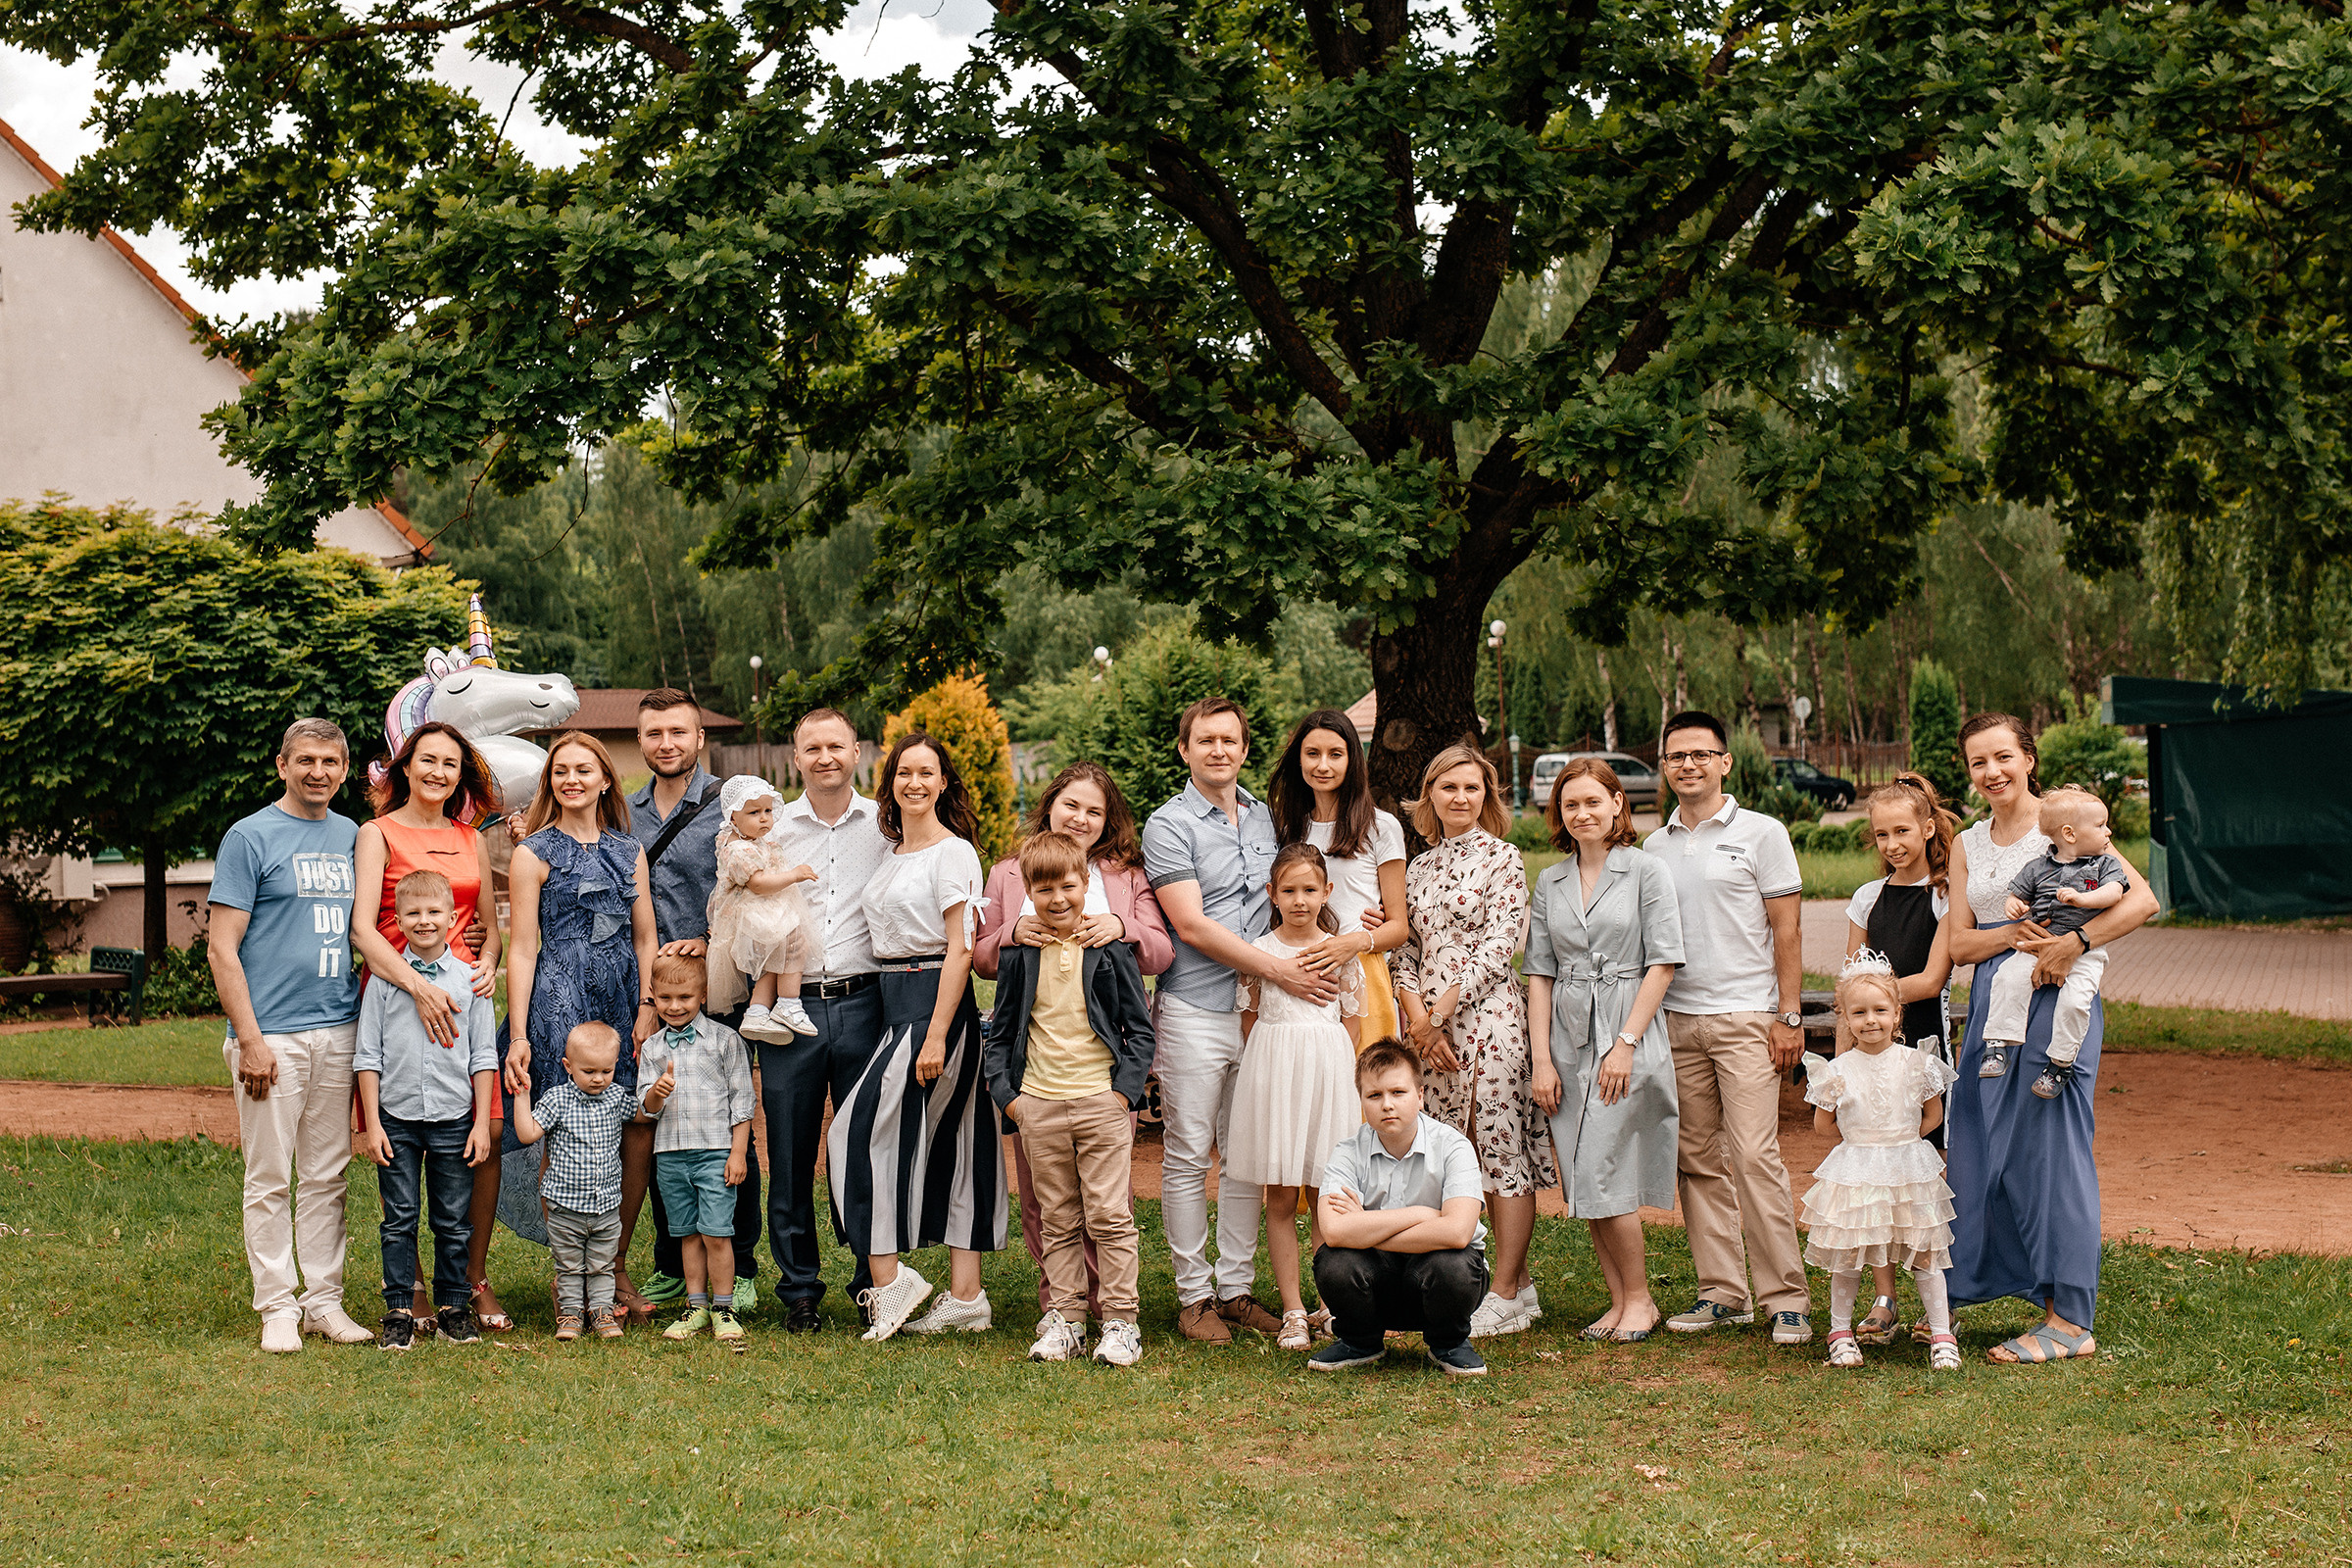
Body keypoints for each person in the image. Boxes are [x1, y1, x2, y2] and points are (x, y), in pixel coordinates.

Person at [1944, 712, 2158, 1365]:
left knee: (2053, 1148)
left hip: (2061, 999)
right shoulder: (1966, 844)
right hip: (1992, 1000)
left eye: (2004, 756)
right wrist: (2019, 933)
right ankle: (1963, 1290)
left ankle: (2069, 1320)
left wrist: (2075, 942)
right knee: (1980, 1148)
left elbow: (2142, 900)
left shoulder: (2070, 824)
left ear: (2028, 757)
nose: (1993, 772)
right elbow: (1959, 944)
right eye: (1979, 762)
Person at [1142, 697, 1336, 1345]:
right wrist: (1277, 970)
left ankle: (1235, 1291)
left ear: (1244, 749)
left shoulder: (1266, 820)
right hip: (1197, 1006)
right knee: (1190, 1152)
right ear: (1185, 750)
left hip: (1261, 1017)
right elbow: (1191, 925)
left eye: (1229, 740)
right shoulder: (1168, 825)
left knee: (1248, 1154)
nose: (1218, 750)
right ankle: (1193, 1297)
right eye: (1205, 741)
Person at [973, 760, 1171, 1325]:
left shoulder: (1124, 877)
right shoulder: (1012, 872)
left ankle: (1112, 1308)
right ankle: (1061, 1304)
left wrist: (1122, 927)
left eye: (1094, 810)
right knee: (1046, 1198)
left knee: (1106, 1199)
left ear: (1107, 821)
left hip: (1101, 1074)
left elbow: (1159, 953)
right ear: (1050, 804)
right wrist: (1011, 932)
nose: (1080, 818)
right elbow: (985, 959)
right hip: (1037, 1074)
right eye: (1071, 805)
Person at [829, 731, 1007, 1342]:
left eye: (927, 773)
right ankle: (967, 1297)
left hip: (935, 1008)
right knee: (955, 1143)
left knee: (853, 1131)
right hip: (892, 999)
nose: (915, 783)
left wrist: (936, 1037)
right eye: (904, 772)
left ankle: (891, 1283)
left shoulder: (954, 853)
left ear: (944, 783)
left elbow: (958, 951)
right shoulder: (891, 852)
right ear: (891, 781)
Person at [1642, 710, 1812, 1346]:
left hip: (1747, 1019)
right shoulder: (1653, 847)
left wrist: (1788, 1016)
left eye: (1700, 754)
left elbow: (1787, 932)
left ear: (1725, 762)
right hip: (1678, 1020)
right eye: (1676, 756)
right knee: (1697, 1160)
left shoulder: (1764, 834)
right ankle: (1723, 1292)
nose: (1688, 765)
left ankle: (1785, 1298)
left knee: (1755, 1157)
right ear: (1665, 766)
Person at [208, 717, 373, 1352]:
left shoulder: (352, 835)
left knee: (328, 1175)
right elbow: (223, 950)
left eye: (330, 762)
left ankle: (323, 1302)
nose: (318, 772)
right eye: (305, 760)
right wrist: (250, 1040)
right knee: (271, 1175)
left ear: (343, 770)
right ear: (282, 765)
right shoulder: (249, 837)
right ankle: (277, 1306)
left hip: (339, 1029)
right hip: (271, 1037)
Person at [350, 719, 513, 1333]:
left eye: (450, 763)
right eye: (427, 760)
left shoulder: (470, 837)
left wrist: (488, 965)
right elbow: (364, 928)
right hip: (396, 994)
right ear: (404, 768)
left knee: (479, 1133)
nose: (438, 772)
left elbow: (489, 926)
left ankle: (467, 1281)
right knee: (402, 1139)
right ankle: (410, 1289)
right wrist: (415, 987)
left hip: (461, 997)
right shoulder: (377, 833)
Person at [1393, 742, 1553, 1339]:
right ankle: (1506, 1280)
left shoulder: (1503, 858)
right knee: (1452, 1151)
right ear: (1430, 795)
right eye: (1449, 788)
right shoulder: (1418, 867)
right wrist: (1418, 1018)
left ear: (1487, 797)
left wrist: (1442, 1010)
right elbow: (1406, 949)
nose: (1461, 798)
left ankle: (1507, 1291)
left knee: (1499, 1149)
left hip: (1488, 1022)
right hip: (1430, 1033)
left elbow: (1499, 944)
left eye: (1472, 789)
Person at [1526, 759, 1682, 1343]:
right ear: (1560, 815)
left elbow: (1663, 962)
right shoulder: (1551, 881)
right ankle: (1619, 1302)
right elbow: (1538, 973)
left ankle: (1641, 1299)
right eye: (1571, 805)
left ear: (1618, 805)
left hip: (1626, 1030)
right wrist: (1542, 1058)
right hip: (1566, 1038)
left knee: (1604, 1168)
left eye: (1594, 801)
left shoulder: (1646, 871)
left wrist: (1625, 1044)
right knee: (1583, 1179)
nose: (1583, 813)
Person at [505, 733, 660, 1314]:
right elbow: (521, 949)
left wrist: (647, 1007)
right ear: (551, 782)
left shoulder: (629, 852)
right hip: (559, 995)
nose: (572, 779)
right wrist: (520, 1034)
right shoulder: (532, 853)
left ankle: (614, 1267)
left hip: (623, 995)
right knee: (563, 1126)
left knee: (636, 1123)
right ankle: (569, 1271)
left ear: (603, 780)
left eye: (583, 770)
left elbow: (646, 936)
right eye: (561, 770)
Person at [622, 690, 764, 1316]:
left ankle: (744, 1264)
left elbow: (752, 887)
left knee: (730, 1120)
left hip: (720, 986)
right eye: (654, 733)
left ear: (699, 738)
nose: (666, 744)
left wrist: (708, 942)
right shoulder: (623, 813)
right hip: (655, 991)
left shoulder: (729, 806)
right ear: (642, 739)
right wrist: (649, 996)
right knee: (664, 1126)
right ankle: (672, 1265)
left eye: (678, 732)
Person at [762, 709, 891, 1333]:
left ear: (857, 751)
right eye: (811, 748)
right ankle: (800, 1290)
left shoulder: (886, 826)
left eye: (835, 746)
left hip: (868, 1002)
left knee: (865, 1147)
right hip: (794, 1006)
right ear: (796, 757)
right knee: (787, 1150)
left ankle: (874, 1279)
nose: (824, 758)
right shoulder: (773, 829)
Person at [354, 869, 501, 1349]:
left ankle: (455, 1306)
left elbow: (483, 1055)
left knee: (453, 1218)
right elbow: (368, 1055)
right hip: (395, 1118)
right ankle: (398, 1308)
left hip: (454, 1118)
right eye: (413, 913)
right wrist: (372, 1123)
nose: (424, 921)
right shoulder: (383, 981)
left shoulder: (470, 981)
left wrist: (481, 1122)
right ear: (396, 920)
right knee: (399, 1217)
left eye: (434, 912)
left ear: (452, 917)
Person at [1230, 843, 1366, 1349]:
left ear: (1327, 891)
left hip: (1328, 1077)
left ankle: (1330, 1304)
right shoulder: (1260, 953)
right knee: (1283, 1195)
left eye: (1311, 889)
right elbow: (1251, 1021)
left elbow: (1352, 1025)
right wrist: (1277, 1068)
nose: (1301, 900)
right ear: (1272, 894)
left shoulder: (1339, 951)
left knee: (1326, 1194)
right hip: (1276, 1077)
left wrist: (1329, 1071)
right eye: (1289, 890)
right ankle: (1291, 1308)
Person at [1798, 952, 1960, 1371]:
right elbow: (1822, 1125)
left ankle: (1941, 1334)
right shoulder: (1836, 1070)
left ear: (1897, 1014)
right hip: (1857, 1169)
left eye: (1880, 1011)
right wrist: (1861, 1142)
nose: (1871, 1020)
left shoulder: (1918, 1062)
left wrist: (1899, 1142)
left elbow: (1933, 1116)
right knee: (1851, 1251)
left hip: (1908, 1165)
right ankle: (1840, 1331)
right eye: (1859, 1013)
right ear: (1845, 1019)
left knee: (1924, 1250)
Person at [1308, 1039, 1492, 1378]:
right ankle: (1359, 1340)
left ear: (1420, 1095)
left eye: (1398, 1093)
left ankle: (1449, 1343)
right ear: (1362, 1100)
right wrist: (1421, 1215)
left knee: (1454, 1263)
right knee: (1335, 1261)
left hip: (1439, 1277)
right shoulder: (1347, 1152)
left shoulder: (1454, 1147)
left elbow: (1457, 1232)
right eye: (1374, 1096)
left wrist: (1363, 1226)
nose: (1387, 1105)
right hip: (1374, 1280)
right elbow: (1333, 1231)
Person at [511, 1023, 673, 1341]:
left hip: (606, 1207)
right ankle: (570, 1315)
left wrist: (656, 1093)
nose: (598, 1078)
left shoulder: (614, 1097)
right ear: (568, 1067)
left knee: (602, 1265)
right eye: (589, 1071)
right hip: (565, 1208)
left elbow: (643, 1114)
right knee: (569, 1267)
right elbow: (527, 1132)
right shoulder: (557, 1100)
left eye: (606, 1070)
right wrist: (522, 1093)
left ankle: (601, 1312)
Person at [1267, 710, 1410, 1044]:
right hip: (1302, 975)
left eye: (1335, 754)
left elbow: (1398, 926)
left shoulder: (1380, 826)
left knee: (1365, 1085)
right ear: (1298, 760)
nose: (1323, 766)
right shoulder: (1290, 828)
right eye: (1312, 754)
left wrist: (1354, 942)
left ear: (1352, 760)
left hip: (1361, 971)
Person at [637, 952, 758, 1346]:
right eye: (666, 998)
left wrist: (738, 1153)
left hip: (715, 1153)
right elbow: (646, 1108)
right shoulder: (654, 1049)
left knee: (717, 1233)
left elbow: (743, 1101)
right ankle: (696, 1305)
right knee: (687, 1233)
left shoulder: (726, 1041)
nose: (675, 1006)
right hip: (671, 1155)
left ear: (702, 995)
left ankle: (724, 1307)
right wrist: (656, 1093)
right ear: (653, 995)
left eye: (685, 998)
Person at [1987, 788, 2132, 1100]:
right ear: (2069, 833)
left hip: (2086, 952)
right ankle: (1998, 1044)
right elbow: (2018, 893)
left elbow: (2114, 893)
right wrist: (2014, 904)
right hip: (2039, 944)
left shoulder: (2103, 865)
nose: (2108, 831)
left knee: (2075, 1003)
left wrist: (2083, 898)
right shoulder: (2038, 867)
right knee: (2007, 977)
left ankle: (2060, 1064)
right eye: (2100, 825)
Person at [1842, 773, 1959, 1071]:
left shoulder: (1945, 894)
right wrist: (1840, 1061)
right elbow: (1848, 986)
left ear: (1927, 829)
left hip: (1926, 1044)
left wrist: (1867, 1001)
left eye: (1902, 831)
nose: (1891, 844)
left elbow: (1931, 982)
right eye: (1882, 834)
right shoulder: (1867, 898)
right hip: (1869, 1048)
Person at [706, 775, 816, 1042]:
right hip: (751, 914)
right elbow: (758, 884)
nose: (764, 818)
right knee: (793, 943)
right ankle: (789, 1003)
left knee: (772, 962)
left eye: (768, 811)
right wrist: (794, 875)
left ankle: (757, 1012)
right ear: (732, 817)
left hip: (756, 913)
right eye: (754, 812)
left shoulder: (749, 841)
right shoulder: (739, 849)